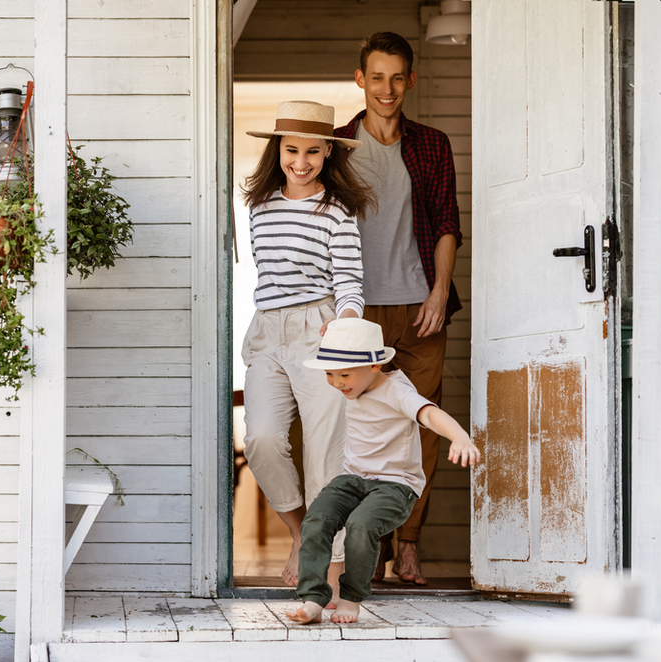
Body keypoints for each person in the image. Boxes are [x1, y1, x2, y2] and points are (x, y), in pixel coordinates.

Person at [334, 31, 463, 585]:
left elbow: (447, 222)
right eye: (376, 77)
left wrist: (439, 290)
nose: (387, 89)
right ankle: (367, 547)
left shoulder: (432, 144)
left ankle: (407, 542)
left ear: (410, 79)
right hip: (357, 313)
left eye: (397, 77)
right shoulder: (335, 145)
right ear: (360, 80)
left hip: (419, 309)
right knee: (358, 426)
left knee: (422, 430)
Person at [241, 100, 375, 591]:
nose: (301, 161)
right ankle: (301, 534)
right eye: (292, 150)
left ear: (327, 154)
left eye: (313, 152)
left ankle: (328, 574)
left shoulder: (337, 212)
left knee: (325, 457)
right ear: (277, 150)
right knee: (261, 440)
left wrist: (343, 325)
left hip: (320, 331)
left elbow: (350, 283)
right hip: (267, 333)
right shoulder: (258, 207)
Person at [286, 318, 480, 624]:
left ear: (375, 366)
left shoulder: (397, 390)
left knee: (361, 526)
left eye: (344, 374)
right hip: (354, 478)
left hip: (395, 485)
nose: (337, 383)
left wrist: (460, 437)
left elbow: (429, 413)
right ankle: (313, 597)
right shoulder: (356, 386)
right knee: (317, 518)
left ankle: (351, 598)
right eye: (330, 374)